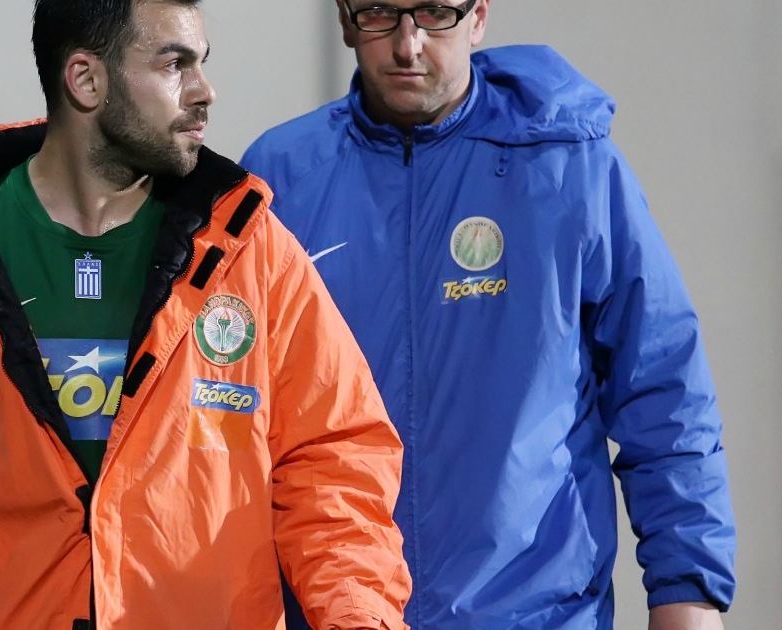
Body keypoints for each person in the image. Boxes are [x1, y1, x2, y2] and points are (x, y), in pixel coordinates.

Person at [0, 1, 413, 629]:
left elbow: (335, 467)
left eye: (201, 63)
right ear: (86, 80)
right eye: (174, 64)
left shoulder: (251, 251)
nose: (205, 91)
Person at [240, 1, 736, 629]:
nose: (408, 45)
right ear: (344, 18)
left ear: (477, 17)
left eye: (434, 12)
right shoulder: (279, 178)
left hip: (538, 613)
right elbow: (232, 420)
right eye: (380, 14)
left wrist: (687, 591)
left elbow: (664, 389)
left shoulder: (568, 163)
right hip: (340, 613)